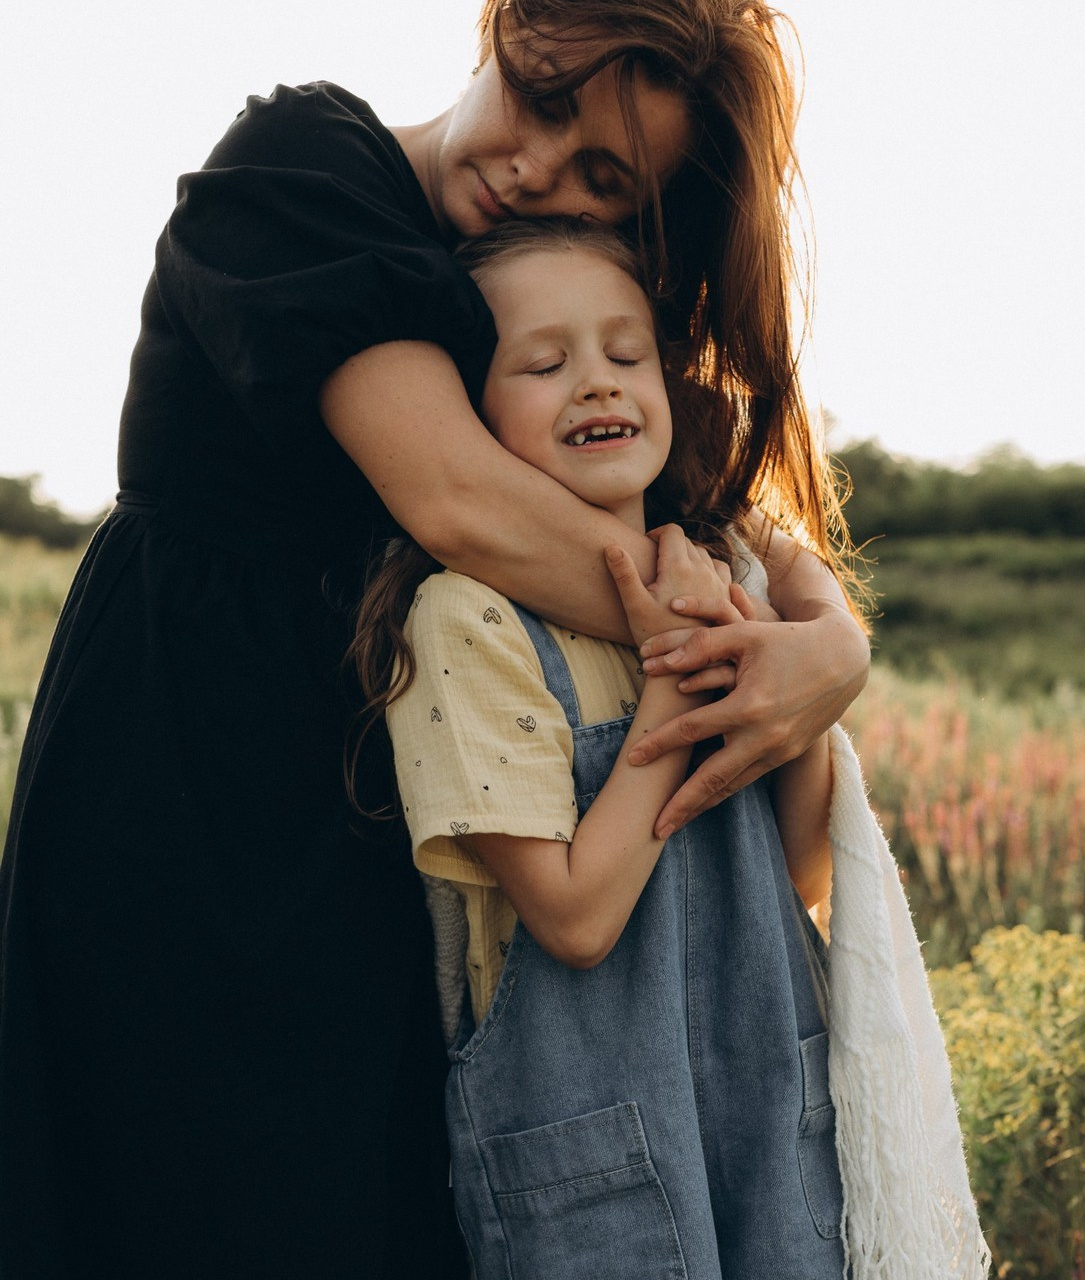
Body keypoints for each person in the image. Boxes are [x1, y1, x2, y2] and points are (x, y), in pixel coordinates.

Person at [0, 2, 870, 1278]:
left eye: (603, 179)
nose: (536, 168)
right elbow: (456, 499)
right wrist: (749, 639)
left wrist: (833, 639)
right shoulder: (301, 167)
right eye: (546, 96)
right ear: (508, 29)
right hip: (194, 803)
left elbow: (715, 508)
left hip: (405, 838)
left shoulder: (548, 289)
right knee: (181, 1203)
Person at [367, 219, 988, 1279]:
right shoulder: (467, 621)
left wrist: (773, 647)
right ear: (469, 414)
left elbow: (790, 870)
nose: (596, 384)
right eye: (543, 361)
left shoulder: (727, 570)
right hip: (588, 1162)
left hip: (765, 1118)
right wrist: (675, 668)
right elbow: (572, 916)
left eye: (624, 353)